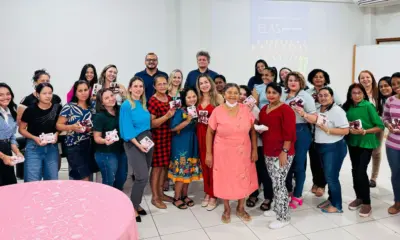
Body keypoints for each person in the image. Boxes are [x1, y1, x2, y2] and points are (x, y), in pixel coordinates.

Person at [206, 83, 258, 223]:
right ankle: (227, 208)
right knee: (225, 178)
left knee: (243, 177)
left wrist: (254, 149)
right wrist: (208, 153)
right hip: (223, 151)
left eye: (236, 92)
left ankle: (241, 208)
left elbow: (253, 131)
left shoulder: (246, 109)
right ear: (224, 94)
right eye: (230, 92)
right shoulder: (217, 111)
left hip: (243, 150)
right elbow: (210, 132)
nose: (233, 95)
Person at [299, 87, 349, 213]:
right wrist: (303, 114)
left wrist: (328, 130)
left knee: (331, 177)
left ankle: (337, 205)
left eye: (326, 95)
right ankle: (331, 199)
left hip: (334, 147)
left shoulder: (337, 111)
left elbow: (345, 130)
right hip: (320, 146)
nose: (323, 97)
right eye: (320, 95)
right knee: (327, 175)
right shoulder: (318, 109)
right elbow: (312, 119)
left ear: (332, 97)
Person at [342, 83, 384, 217]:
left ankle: (367, 203)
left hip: (366, 142)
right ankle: (359, 197)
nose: (357, 95)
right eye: (354, 93)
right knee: (355, 170)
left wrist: (365, 131)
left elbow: (380, 126)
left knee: (361, 171)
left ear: (363, 94)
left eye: (359, 93)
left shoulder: (368, 106)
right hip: (352, 142)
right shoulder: (347, 106)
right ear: (350, 94)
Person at [259, 82, 296, 229]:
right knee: (275, 181)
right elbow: (264, 125)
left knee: (280, 183)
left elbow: (290, 133)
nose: (271, 95)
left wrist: (284, 152)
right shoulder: (264, 108)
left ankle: (284, 217)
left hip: (282, 152)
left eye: (274, 92)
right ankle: (277, 209)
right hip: (268, 150)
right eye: (268, 92)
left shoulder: (286, 110)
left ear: (280, 94)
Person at [120, 76, 153, 222]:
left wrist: (147, 142)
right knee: (142, 176)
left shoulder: (143, 104)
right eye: (136, 86)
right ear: (130, 88)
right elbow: (126, 128)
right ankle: (132, 206)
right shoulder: (127, 105)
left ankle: (136, 203)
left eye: (141, 86)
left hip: (147, 141)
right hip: (134, 142)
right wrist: (139, 145)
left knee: (143, 176)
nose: (138, 89)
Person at [282, 72, 317, 209]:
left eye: (296, 80)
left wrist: (303, 113)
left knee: (299, 164)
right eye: (290, 80)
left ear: (301, 82)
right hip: (285, 132)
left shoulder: (306, 96)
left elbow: (314, 118)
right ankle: (288, 191)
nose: (292, 82)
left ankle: (298, 194)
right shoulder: (284, 96)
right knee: (286, 164)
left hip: (301, 131)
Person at [306, 69, 342, 197]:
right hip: (311, 131)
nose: (318, 79)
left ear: (325, 79)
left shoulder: (330, 91)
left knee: (323, 161)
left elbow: (339, 105)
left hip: (327, 131)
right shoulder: (308, 92)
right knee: (314, 159)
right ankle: (316, 182)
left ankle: (322, 184)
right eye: (315, 77)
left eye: (321, 77)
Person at [246, 67, 276, 211]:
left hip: (265, 136)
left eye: (268, 75)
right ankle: (253, 193)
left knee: (265, 169)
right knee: (252, 168)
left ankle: (269, 196)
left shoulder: (277, 90)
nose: (265, 77)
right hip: (249, 137)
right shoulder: (256, 88)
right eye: (263, 75)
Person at [19, 83, 61, 182]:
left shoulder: (57, 107)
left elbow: (60, 125)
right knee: (32, 181)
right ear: (38, 94)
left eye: (50, 93)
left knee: (52, 180)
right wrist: (34, 138)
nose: (48, 96)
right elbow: (21, 129)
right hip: (34, 148)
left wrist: (56, 134)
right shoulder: (30, 110)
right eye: (44, 93)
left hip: (51, 148)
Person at [168, 87, 202, 209]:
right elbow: (173, 128)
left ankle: (184, 195)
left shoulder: (196, 110)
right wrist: (187, 121)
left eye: (194, 96)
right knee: (181, 171)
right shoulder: (179, 111)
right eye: (189, 97)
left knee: (189, 171)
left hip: (192, 143)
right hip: (181, 144)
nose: (192, 99)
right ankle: (176, 197)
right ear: (184, 98)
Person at [196, 74, 224, 211]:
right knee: (204, 165)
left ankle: (214, 194)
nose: (204, 85)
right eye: (201, 83)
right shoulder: (198, 99)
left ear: (210, 83)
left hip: (214, 135)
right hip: (200, 134)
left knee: (213, 165)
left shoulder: (218, 98)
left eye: (206, 82)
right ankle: (207, 191)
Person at [56, 80, 94, 181]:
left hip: (88, 144)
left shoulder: (92, 106)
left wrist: (90, 129)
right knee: (83, 177)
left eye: (85, 90)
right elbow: (58, 125)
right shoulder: (69, 107)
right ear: (75, 93)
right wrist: (72, 127)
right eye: (80, 90)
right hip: (73, 145)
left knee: (88, 177)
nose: (83, 93)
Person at [148, 75, 175, 209]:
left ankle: (161, 193)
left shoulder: (169, 99)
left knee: (164, 166)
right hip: (157, 138)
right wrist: (166, 116)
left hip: (168, 137)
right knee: (157, 168)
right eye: (160, 84)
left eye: (165, 84)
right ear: (154, 86)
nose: (163, 86)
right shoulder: (153, 101)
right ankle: (155, 197)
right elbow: (152, 123)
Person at [93, 88, 127, 190]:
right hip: (106, 153)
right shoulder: (99, 116)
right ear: (102, 102)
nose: (111, 99)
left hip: (121, 150)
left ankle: (117, 200)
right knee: (109, 181)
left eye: (112, 96)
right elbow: (97, 137)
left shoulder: (120, 110)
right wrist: (105, 141)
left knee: (122, 178)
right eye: (106, 98)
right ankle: (107, 203)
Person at [358, 70, 382, 188]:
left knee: (376, 152)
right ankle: (363, 175)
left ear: (372, 78)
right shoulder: (357, 92)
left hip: (377, 127)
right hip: (361, 127)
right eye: (362, 78)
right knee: (362, 152)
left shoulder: (378, 93)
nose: (365, 80)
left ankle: (373, 177)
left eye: (367, 77)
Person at [369, 76, 395, 188]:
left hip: (394, 128)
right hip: (382, 124)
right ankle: (373, 178)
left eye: (386, 85)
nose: (383, 88)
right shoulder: (379, 99)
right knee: (376, 151)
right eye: (381, 86)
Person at [382, 72, 400, 215]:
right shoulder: (390, 100)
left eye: (399, 83)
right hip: (393, 145)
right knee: (396, 174)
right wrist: (388, 125)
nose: (396, 87)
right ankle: (397, 202)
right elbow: (385, 117)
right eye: (393, 84)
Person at [0, 83, 22, 186]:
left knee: (9, 185)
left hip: (6, 151)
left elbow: (11, 135)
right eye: (1, 95)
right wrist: (3, 156)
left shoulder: (12, 110)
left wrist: (17, 152)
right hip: (2, 153)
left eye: (8, 94)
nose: (5, 97)